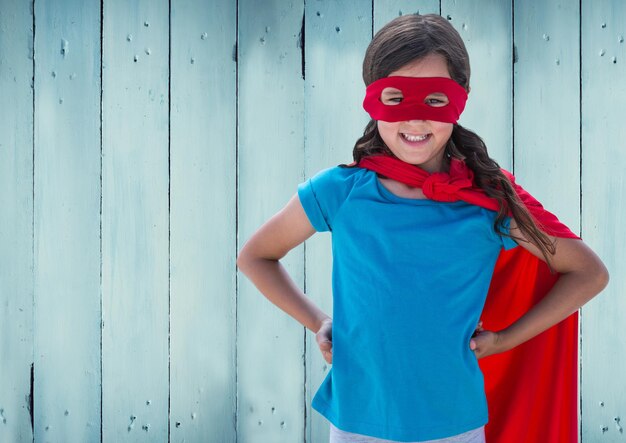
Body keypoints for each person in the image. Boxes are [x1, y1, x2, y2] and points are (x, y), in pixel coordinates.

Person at [236, 13, 609, 443]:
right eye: (396, 97)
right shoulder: (339, 192)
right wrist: (318, 320)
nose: (415, 121)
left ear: (461, 100)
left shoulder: (487, 201)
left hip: (454, 425)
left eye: (434, 100)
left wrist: (506, 340)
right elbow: (256, 256)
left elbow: (589, 273)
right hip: (357, 420)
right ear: (372, 99)